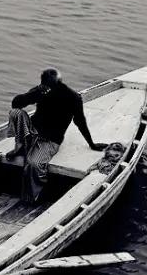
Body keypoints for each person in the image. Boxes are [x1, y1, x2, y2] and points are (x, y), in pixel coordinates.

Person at [7, 68, 107, 203]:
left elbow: (80, 122)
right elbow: (16, 104)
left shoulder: (72, 97)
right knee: (15, 113)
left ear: (58, 83)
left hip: (49, 139)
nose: (45, 88)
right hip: (31, 132)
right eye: (43, 84)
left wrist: (91, 144)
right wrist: (36, 92)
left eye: (48, 85)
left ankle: (33, 197)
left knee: (34, 164)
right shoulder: (40, 91)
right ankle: (19, 146)